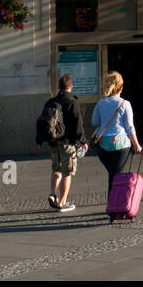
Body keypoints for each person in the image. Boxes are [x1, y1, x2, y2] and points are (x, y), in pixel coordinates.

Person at [32, 74, 85, 213]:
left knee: (56, 169)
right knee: (68, 172)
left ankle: (52, 194)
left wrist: (38, 142)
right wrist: (83, 141)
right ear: (71, 86)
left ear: (59, 87)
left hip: (53, 142)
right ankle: (62, 202)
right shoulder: (72, 101)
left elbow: (43, 122)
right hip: (68, 143)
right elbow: (78, 124)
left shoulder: (51, 102)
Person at [89, 71, 143, 200]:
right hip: (121, 144)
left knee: (112, 173)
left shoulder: (100, 103)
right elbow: (130, 127)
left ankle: (114, 203)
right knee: (116, 174)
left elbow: (94, 122)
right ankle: (115, 204)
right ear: (121, 88)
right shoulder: (125, 104)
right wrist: (137, 145)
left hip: (104, 145)